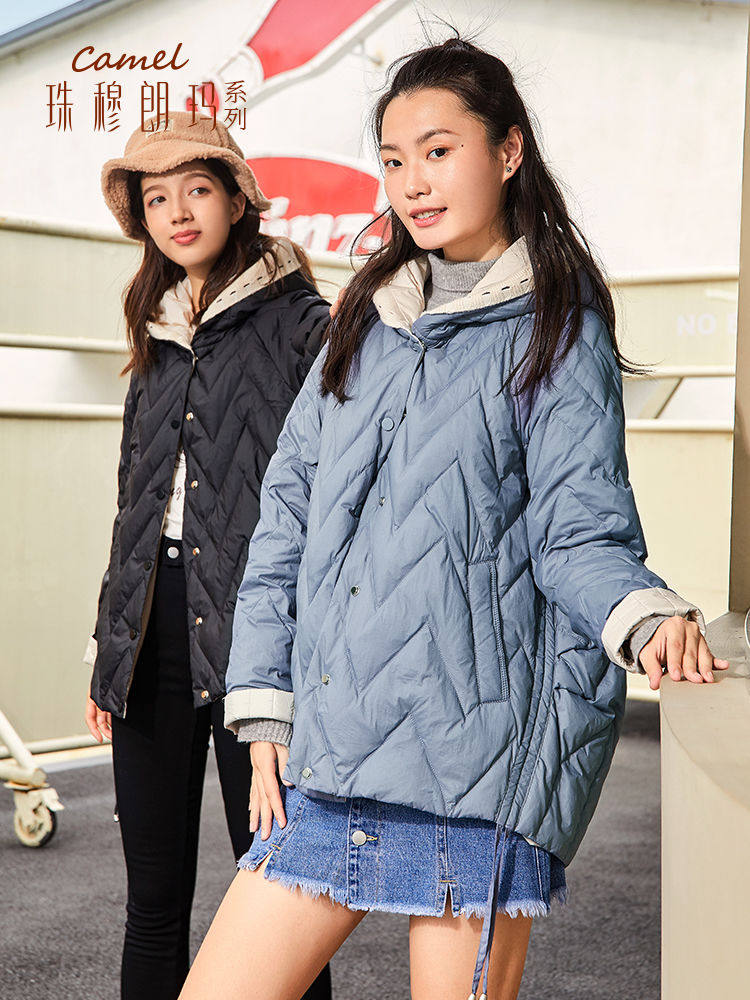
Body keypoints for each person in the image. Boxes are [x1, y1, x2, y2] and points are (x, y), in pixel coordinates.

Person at [178, 39, 729, 1000]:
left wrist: (644, 615)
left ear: (507, 151)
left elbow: (578, 527)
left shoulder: (557, 325)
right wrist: (263, 695)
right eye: (394, 161)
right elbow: (287, 517)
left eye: (438, 152)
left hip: (479, 763)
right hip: (337, 752)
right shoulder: (363, 321)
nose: (413, 183)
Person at [83, 111, 333, 1000]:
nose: (178, 213)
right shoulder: (152, 326)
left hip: (255, 636)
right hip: (150, 635)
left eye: (196, 190)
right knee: (151, 904)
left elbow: (329, 494)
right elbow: (134, 500)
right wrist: (107, 648)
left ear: (237, 199)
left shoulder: (304, 324)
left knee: (280, 899)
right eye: (157, 199)